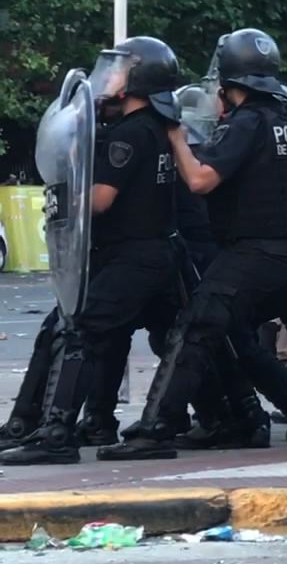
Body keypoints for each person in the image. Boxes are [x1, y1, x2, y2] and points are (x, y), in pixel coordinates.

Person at [99, 29, 287, 460]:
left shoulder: (247, 123)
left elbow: (201, 181)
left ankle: (155, 430)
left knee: (195, 327)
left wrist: (176, 137)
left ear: (230, 85)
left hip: (252, 252)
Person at [5, 38, 187, 465]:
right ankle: (37, 423)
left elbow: (100, 200)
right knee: (71, 328)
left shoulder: (128, 135)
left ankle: (56, 435)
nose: (110, 78)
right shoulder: (152, 130)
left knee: (77, 329)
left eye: (120, 70)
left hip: (134, 256)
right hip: (150, 254)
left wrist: (63, 195)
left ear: (137, 81)